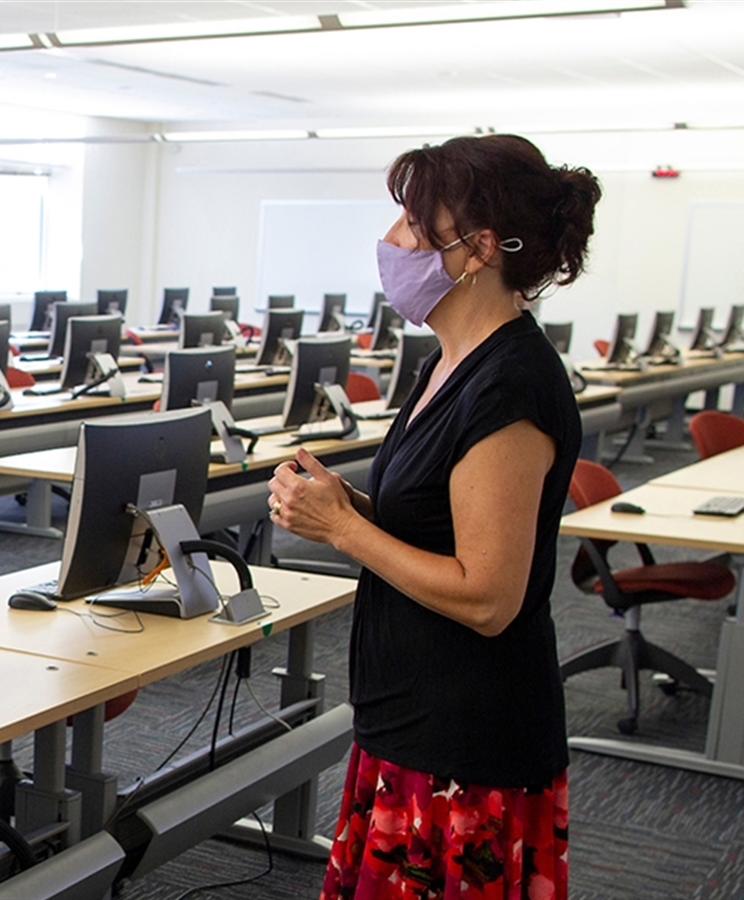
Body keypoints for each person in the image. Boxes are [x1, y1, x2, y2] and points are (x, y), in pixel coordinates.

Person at [267, 134, 598, 900]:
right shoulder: (448, 361)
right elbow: (444, 522)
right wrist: (350, 506)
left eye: (413, 225)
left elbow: (487, 596)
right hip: (411, 718)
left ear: (477, 249)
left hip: (463, 744)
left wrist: (347, 532)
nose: (391, 243)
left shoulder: (508, 386)